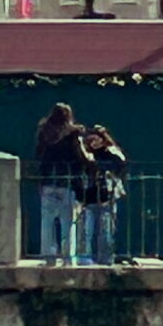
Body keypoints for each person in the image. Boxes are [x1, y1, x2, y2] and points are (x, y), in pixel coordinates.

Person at [33, 103, 90, 261]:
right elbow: (80, 157)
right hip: (68, 181)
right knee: (68, 224)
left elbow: (39, 156)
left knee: (47, 222)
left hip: (48, 181)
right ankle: (68, 258)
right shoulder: (73, 133)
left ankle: (48, 257)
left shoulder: (43, 133)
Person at [77, 122, 129, 266]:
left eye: (96, 138)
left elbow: (121, 162)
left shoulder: (110, 153)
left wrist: (109, 148)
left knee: (106, 230)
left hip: (107, 196)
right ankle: (85, 258)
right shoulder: (85, 154)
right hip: (89, 196)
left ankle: (105, 258)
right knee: (86, 230)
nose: (93, 142)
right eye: (91, 139)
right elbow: (86, 165)